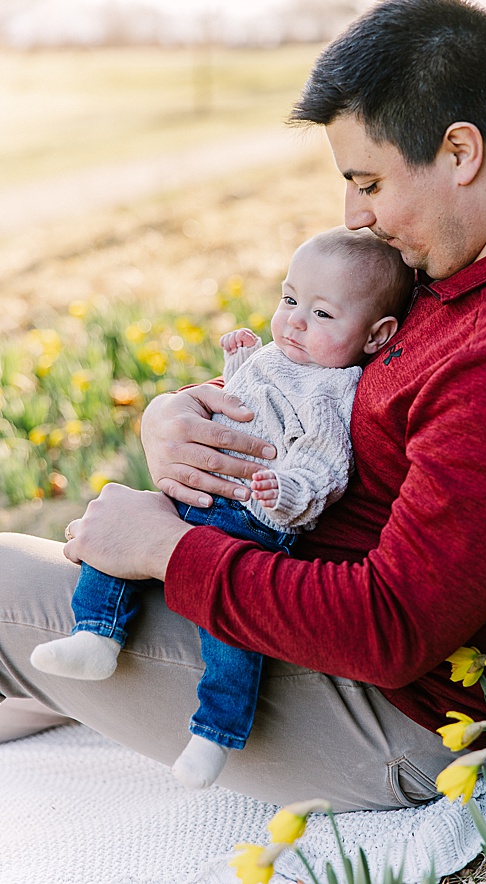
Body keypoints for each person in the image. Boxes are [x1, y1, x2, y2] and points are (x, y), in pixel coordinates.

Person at [0, 0, 486, 812]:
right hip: (288, 606)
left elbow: (391, 630)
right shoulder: (461, 264)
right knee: (44, 621)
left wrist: (166, 552)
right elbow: (325, 379)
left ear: (461, 151)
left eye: (369, 181)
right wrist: (182, 414)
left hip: (387, 723)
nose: (355, 214)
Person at [29, 226, 411, 791]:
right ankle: (96, 635)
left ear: (376, 337)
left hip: (251, 520)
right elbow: (242, 408)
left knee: (227, 627)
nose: (296, 322)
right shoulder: (277, 359)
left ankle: (216, 730)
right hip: (204, 493)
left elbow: (325, 469)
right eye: (288, 300)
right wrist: (237, 365)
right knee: (114, 531)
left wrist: (285, 493)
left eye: (323, 315)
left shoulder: (334, 394)